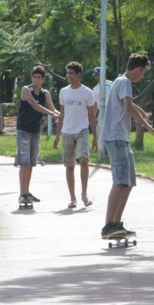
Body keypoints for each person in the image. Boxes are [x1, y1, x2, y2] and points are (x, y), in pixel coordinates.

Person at [100, 54, 154, 239]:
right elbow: (128, 107)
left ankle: (117, 223)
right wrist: (150, 129)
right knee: (120, 181)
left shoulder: (120, 81)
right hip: (116, 136)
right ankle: (108, 226)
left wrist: (141, 110)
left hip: (121, 138)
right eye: (143, 73)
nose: (142, 77)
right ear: (138, 69)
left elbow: (127, 103)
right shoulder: (125, 82)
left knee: (128, 182)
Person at [53, 61, 97, 208]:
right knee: (69, 166)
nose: (69, 76)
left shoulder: (87, 92)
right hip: (67, 132)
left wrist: (95, 137)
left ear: (78, 75)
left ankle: (84, 194)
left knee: (83, 160)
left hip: (82, 131)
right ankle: (73, 198)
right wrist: (57, 136)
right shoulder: (64, 92)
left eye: (71, 73)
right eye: (67, 73)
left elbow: (91, 116)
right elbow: (62, 114)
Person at [16, 66, 60, 205]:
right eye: (34, 77)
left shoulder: (45, 93)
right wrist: (52, 114)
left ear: (43, 79)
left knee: (31, 163)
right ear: (31, 78)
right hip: (24, 129)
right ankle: (22, 193)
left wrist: (60, 114)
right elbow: (35, 106)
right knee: (24, 163)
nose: (36, 79)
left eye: (39, 77)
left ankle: (27, 192)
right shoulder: (26, 90)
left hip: (35, 130)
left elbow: (52, 107)